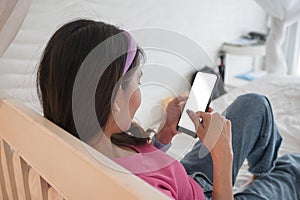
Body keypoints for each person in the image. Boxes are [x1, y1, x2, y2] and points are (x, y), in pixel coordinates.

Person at [36, 19, 300, 200]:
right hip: (213, 191)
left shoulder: (87, 137)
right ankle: (264, 176)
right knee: (292, 168)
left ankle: (261, 172)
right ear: (115, 99)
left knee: (253, 105)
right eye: (137, 82)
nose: (139, 90)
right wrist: (223, 158)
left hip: (185, 178)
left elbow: (138, 162)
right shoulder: (137, 191)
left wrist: (164, 136)